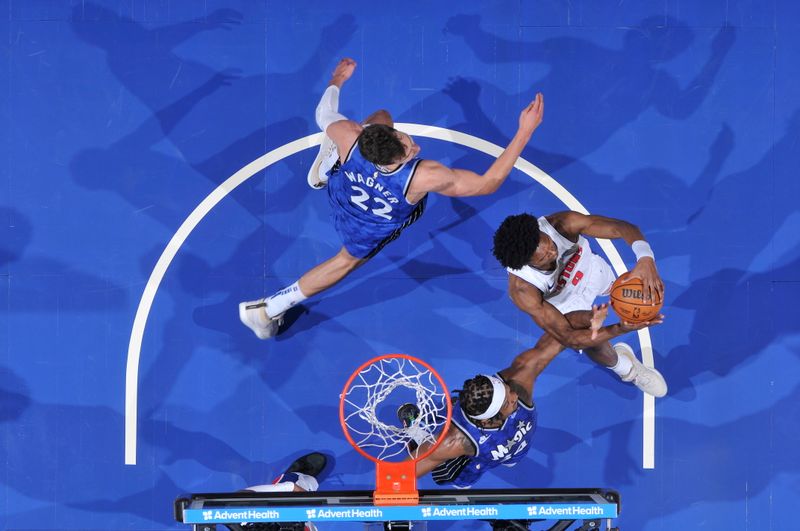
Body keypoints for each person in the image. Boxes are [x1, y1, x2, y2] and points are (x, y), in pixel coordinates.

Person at [239, 58, 545, 339]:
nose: (416, 149)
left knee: (381, 116)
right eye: (408, 151)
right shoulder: (424, 176)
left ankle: (328, 163)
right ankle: (268, 309)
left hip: (344, 191)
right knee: (346, 262)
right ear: (392, 161)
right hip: (368, 226)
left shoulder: (351, 136)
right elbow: (488, 183)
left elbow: (323, 113)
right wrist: (524, 132)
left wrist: (337, 79)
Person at [491, 211, 667, 397]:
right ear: (526, 263)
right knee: (590, 337)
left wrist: (645, 258)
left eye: (550, 244)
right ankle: (627, 369)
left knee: (642, 291)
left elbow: (622, 227)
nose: (553, 252)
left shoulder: (561, 224)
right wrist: (620, 329)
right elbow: (568, 338)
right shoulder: (524, 288)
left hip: (593, 271)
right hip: (567, 302)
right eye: (543, 258)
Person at [398, 327, 594, 487]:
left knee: (511, 456)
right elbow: (401, 476)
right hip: (475, 458)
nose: (515, 395)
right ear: (488, 418)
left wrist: (620, 326)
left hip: (516, 448)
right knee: (458, 480)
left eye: (509, 391)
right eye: (509, 400)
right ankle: (417, 433)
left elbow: (564, 331)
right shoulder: (456, 442)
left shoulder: (519, 381)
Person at [228, 452, 328, 531]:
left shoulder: (236, 514)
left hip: (274, 512)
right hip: (296, 522)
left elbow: (290, 487)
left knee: (294, 484)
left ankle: (300, 477)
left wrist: (291, 488)